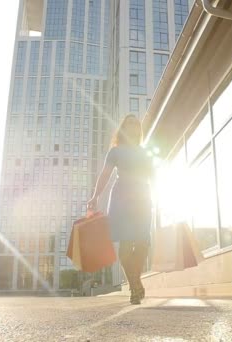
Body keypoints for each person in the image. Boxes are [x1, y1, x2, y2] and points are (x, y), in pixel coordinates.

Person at [87, 114, 153, 305]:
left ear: (139, 129)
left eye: (136, 123)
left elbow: (153, 176)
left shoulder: (144, 152)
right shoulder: (115, 152)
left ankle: (135, 282)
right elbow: (105, 174)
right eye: (129, 123)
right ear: (123, 128)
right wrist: (95, 196)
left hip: (142, 198)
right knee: (125, 245)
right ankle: (135, 286)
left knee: (142, 242)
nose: (133, 126)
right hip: (122, 198)